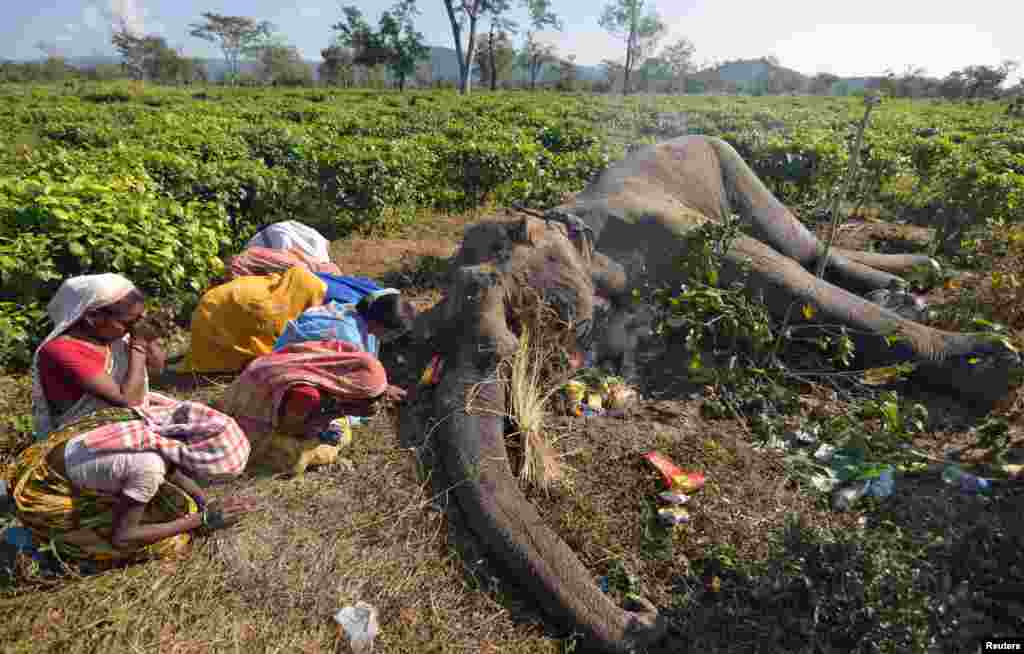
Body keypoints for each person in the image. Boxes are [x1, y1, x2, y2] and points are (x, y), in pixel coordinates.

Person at [4, 403, 256, 569]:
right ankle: (38, 550)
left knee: (176, 504)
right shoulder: (149, 469)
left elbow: (175, 468)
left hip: (56, 462)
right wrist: (200, 520)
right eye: (210, 476)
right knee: (170, 542)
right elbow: (123, 536)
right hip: (45, 493)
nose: (208, 481)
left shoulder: (158, 426)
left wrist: (202, 501)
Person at [221, 340, 405, 476]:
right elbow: (288, 428)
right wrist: (321, 424)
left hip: (260, 388)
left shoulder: (336, 357)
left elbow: (367, 379)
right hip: (248, 417)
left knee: (340, 430)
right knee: (296, 459)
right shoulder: (307, 395)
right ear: (352, 393)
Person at [31, 273, 170, 440]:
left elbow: (156, 368)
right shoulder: (62, 349)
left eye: (140, 318)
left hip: (125, 426)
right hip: (82, 437)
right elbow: (128, 401)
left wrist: (149, 337)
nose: (135, 326)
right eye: (129, 322)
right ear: (93, 317)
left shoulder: (115, 336)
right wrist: (139, 345)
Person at [179, 265, 328, 374]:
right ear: (303, 293)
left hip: (213, 307)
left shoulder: (276, 283)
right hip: (212, 316)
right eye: (313, 297)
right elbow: (270, 348)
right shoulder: (273, 311)